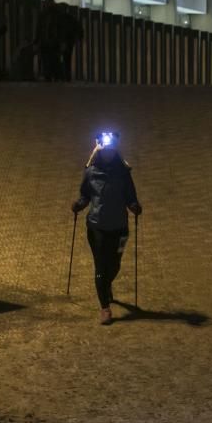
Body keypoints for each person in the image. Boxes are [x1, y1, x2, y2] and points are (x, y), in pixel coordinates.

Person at [71, 132, 142, 325]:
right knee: (101, 267)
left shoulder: (123, 173)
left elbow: (130, 196)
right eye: (105, 152)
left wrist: (134, 206)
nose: (108, 155)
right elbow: (86, 194)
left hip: (120, 228)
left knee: (115, 264)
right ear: (99, 152)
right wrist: (79, 204)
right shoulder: (91, 172)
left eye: (111, 152)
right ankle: (105, 307)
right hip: (97, 228)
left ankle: (106, 285)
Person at [36, 0, 63, 81]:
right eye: (46, 2)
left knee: (53, 59)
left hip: (53, 41)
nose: (46, 4)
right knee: (47, 59)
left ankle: (54, 75)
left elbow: (60, 28)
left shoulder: (56, 14)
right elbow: (39, 28)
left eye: (48, 2)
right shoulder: (44, 14)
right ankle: (49, 76)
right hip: (46, 40)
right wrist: (37, 39)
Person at [58, 3, 83, 81]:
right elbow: (79, 29)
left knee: (63, 59)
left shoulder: (58, 18)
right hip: (67, 42)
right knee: (66, 60)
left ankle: (62, 76)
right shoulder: (71, 19)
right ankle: (66, 76)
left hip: (62, 41)